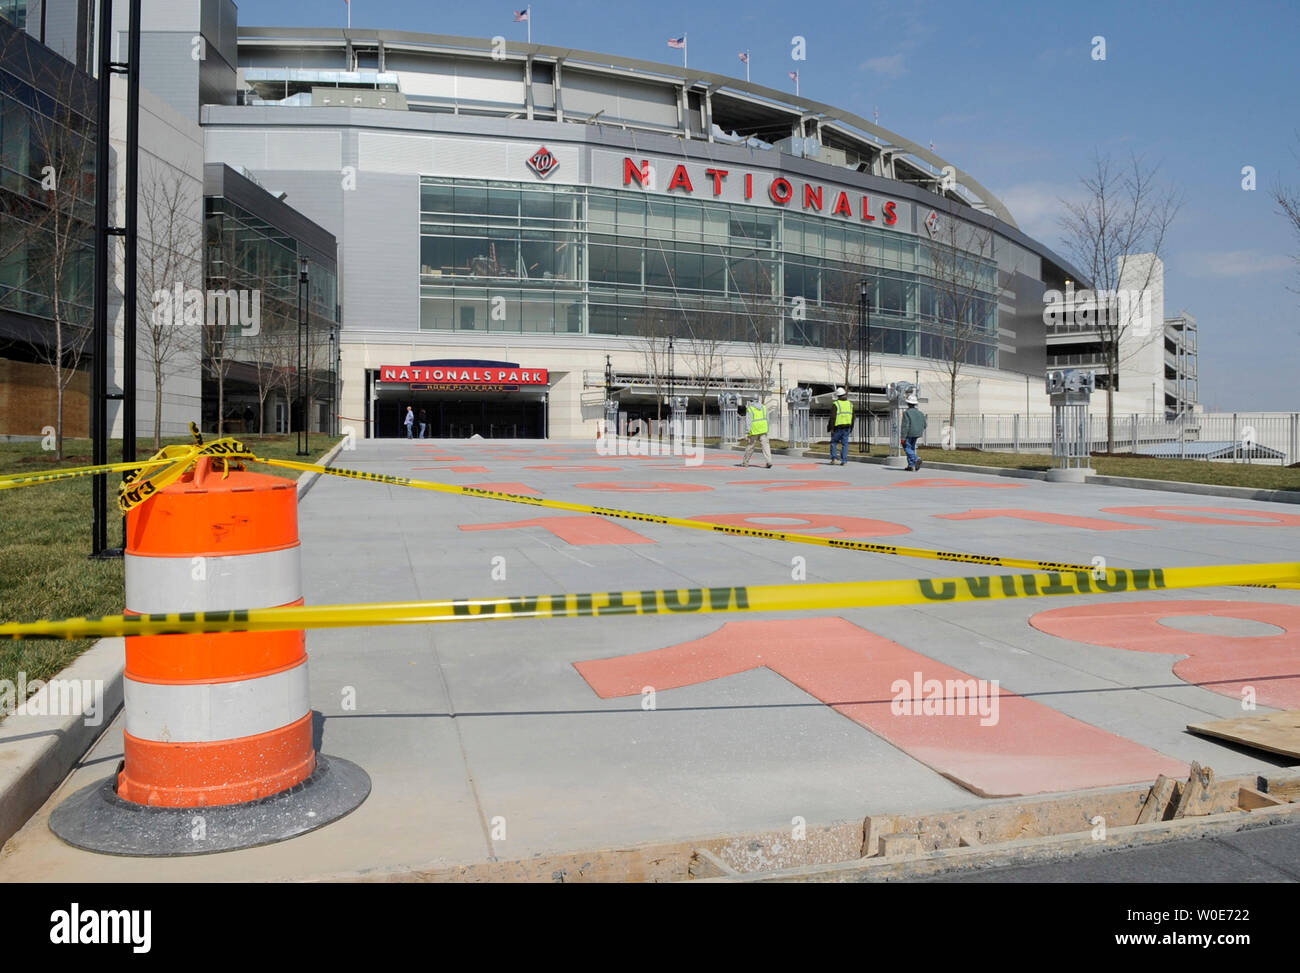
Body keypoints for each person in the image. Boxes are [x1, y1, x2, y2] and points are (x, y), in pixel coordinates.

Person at [740, 396, 772, 468]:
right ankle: (769, 461)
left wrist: (747, 432)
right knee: (766, 446)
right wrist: (767, 429)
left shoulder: (750, 409)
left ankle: (745, 462)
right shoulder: (764, 408)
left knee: (750, 446)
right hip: (763, 430)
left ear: (751, 401)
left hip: (754, 430)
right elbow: (768, 419)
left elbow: (748, 421)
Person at [900, 392, 927, 471]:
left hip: (908, 433)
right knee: (912, 448)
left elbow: (905, 426)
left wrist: (903, 437)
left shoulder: (906, 413)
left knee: (907, 448)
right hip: (917, 433)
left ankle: (916, 459)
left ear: (908, 403)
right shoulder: (920, 413)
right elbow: (925, 425)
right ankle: (911, 465)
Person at [827, 386, 853, 466]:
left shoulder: (836, 404)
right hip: (847, 428)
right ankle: (844, 460)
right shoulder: (850, 404)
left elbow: (832, 417)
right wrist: (851, 428)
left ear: (838, 396)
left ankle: (834, 459)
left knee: (834, 442)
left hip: (837, 428)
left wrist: (831, 428)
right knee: (845, 444)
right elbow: (853, 417)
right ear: (845, 394)